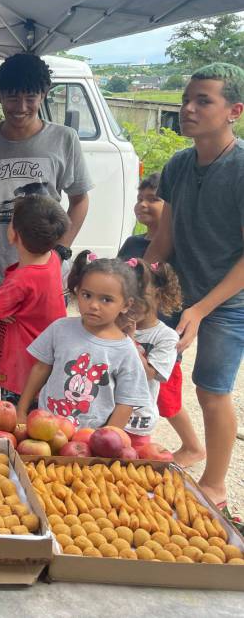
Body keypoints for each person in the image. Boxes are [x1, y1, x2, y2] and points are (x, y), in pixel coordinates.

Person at [145, 63, 244, 511]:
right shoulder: (179, 163)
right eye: (186, 98)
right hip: (177, 288)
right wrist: (137, 279)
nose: (188, 108)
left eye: (203, 100)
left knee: (211, 388)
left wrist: (202, 310)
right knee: (137, 360)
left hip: (229, 298)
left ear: (233, 111)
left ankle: (216, 483)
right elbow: (165, 235)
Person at [0, 53, 93, 415]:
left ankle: (30, 418)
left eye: (30, 96)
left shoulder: (64, 139)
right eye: (11, 96)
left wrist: (59, 251)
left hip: (40, 274)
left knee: (40, 355)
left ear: (44, 94)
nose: (20, 105)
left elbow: (80, 199)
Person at [117, 173, 204, 466]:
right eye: (140, 199)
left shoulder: (182, 247)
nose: (143, 204)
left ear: (171, 205)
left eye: (153, 199)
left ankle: (193, 447)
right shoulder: (132, 243)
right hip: (132, 327)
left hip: (162, 335)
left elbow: (187, 290)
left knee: (166, 399)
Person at [17, 253, 150, 430]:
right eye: (87, 295)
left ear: (126, 304)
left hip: (88, 440)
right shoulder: (60, 329)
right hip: (43, 426)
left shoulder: (125, 351)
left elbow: (125, 403)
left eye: (106, 299)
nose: (94, 305)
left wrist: (107, 439)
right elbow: (40, 368)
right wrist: (21, 410)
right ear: (77, 292)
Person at [0, 195, 69, 408]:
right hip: (45, 364)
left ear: (13, 234)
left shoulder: (21, 281)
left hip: (21, 372)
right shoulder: (53, 258)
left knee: (17, 425)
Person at [122, 259, 184, 449]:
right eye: (126, 294)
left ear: (158, 295)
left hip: (136, 422)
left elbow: (150, 373)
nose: (132, 303)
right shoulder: (113, 323)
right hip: (105, 414)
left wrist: (129, 339)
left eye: (141, 296)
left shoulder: (165, 336)